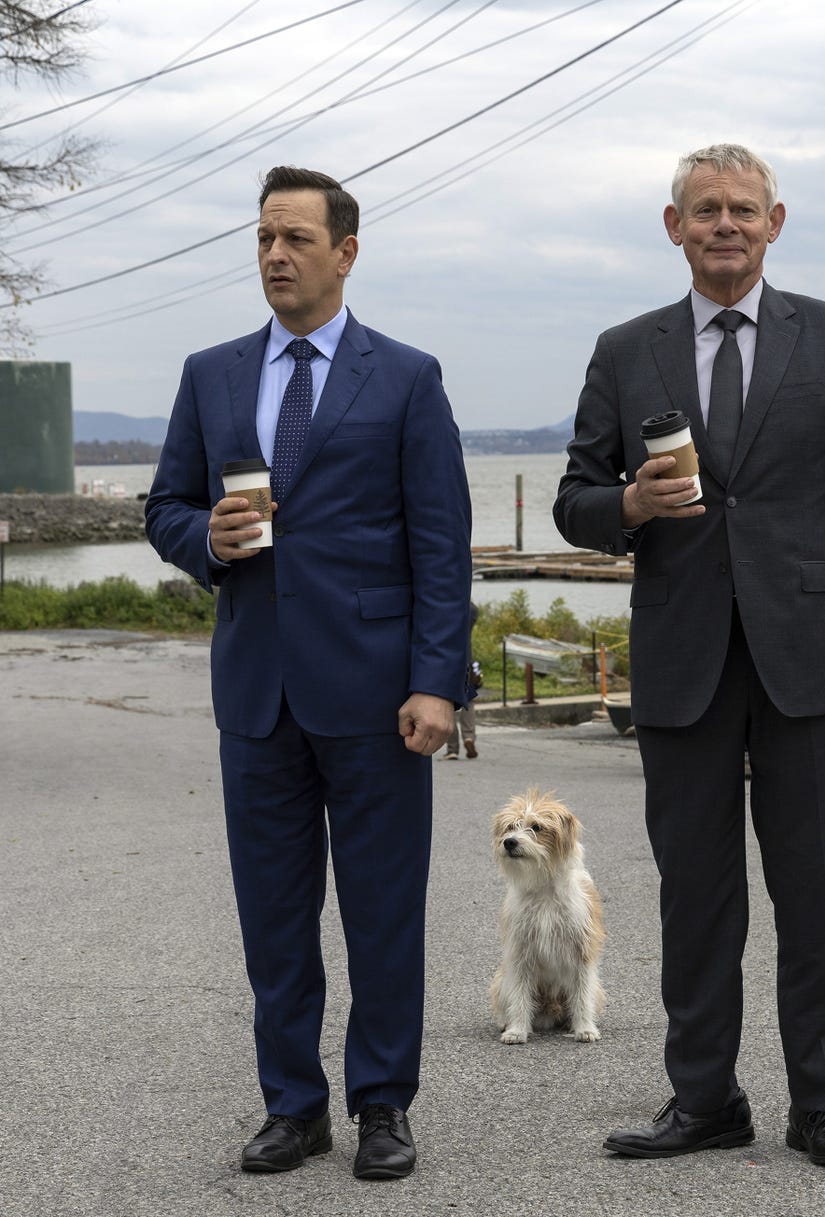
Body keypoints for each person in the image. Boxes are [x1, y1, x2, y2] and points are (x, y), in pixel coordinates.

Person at [553, 144, 825, 1169]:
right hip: (683, 662)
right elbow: (576, 498)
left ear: (773, 223)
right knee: (696, 899)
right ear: (674, 227)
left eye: (742, 209)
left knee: (815, 897)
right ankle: (704, 1097)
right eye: (704, 209)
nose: (724, 225)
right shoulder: (625, 349)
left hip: (810, 658)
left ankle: (820, 1104)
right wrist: (628, 502)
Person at [145, 167, 472, 1181]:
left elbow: (441, 543)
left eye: (295, 237)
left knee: (382, 914)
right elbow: (164, 506)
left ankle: (382, 1103)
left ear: (346, 252)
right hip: (257, 693)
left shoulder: (406, 376)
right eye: (263, 238)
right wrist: (206, 537)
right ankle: (292, 1106)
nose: (276, 254)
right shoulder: (211, 373)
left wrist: (438, 680)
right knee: (274, 920)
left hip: (378, 695)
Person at [444, 601, 480, 759]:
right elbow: (473, 609)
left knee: (446, 702)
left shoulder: (445, 608)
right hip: (466, 659)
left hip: (445, 660)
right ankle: (469, 736)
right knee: (468, 700)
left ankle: (452, 748)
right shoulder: (470, 610)